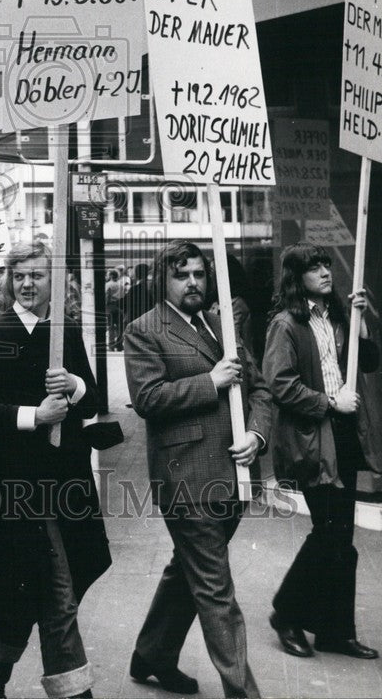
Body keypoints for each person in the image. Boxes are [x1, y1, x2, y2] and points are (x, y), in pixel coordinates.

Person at [0, 240, 110, 699]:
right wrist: (30, 416)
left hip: (69, 482)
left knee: (29, 591)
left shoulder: (66, 330)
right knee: (57, 592)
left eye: (36, 275)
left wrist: (76, 386)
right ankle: (73, 691)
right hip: (18, 487)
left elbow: (93, 401)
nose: (25, 284)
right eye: (18, 276)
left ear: (54, 281)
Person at [124, 241, 270, 699]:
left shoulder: (222, 324)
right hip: (185, 479)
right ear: (161, 280)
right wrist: (210, 382)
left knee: (187, 571)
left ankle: (151, 653)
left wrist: (257, 436)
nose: (192, 282)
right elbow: (148, 399)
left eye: (198, 274)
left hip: (234, 474)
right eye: (181, 274)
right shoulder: (143, 331)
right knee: (216, 590)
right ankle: (242, 692)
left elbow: (260, 388)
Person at [263, 243, 382, 661]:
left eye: (325, 265)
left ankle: (335, 631)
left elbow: (368, 362)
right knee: (327, 533)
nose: (323, 272)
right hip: (314, 438)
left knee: (342, 538)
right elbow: (279, 384)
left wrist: (361, 322)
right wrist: (329, 403)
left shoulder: (338, 315)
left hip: (345, 435)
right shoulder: (285, 324)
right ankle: (286, 613)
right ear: (296, 277)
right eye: (313, 267)